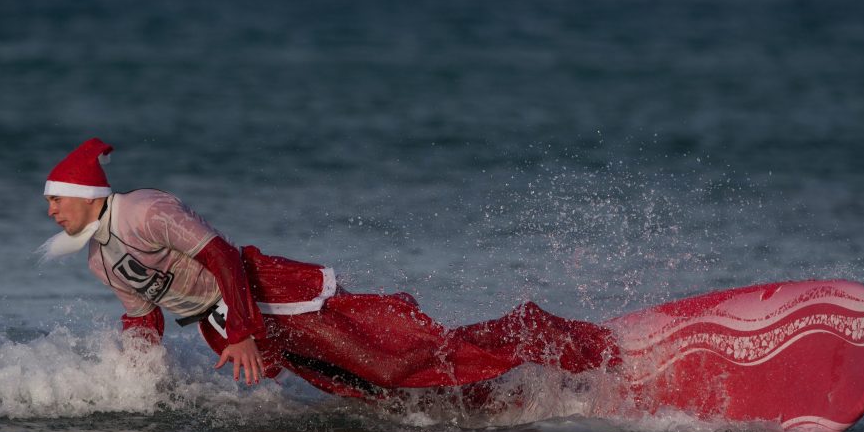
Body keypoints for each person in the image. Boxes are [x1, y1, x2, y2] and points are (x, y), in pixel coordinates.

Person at [40, 138, 620, 400]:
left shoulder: (145, 209)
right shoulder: (99, 259)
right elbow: (145, 318)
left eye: (56, 200)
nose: (50, 211)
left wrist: (242, 330)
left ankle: (554, 338)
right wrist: (135, 387)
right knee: (363, 388)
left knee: (395, 360)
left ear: (87, 193)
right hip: (235, 326)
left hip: (263, 296)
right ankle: (496, 400)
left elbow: (220, 256)